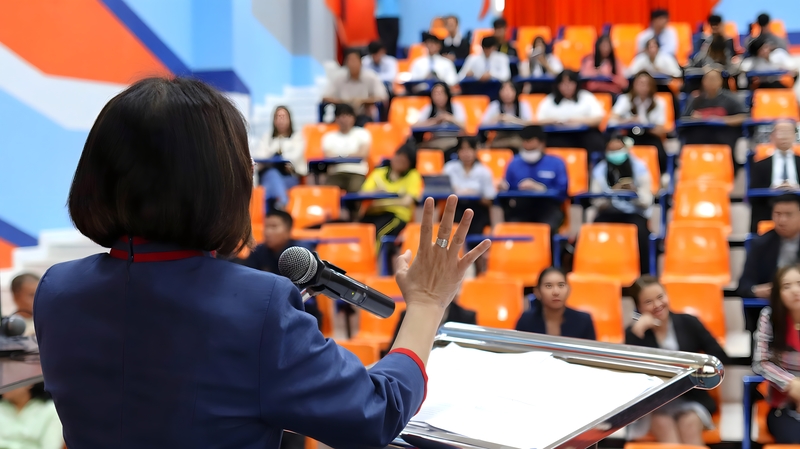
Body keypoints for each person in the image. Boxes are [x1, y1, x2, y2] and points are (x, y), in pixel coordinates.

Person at [34, 76, 492, 449]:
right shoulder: (258, 304)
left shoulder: (56, 291)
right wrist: (429, 304)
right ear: (224, 183)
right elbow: (375, 415)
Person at [626, 275, 729, 444]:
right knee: (663, 424)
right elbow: (630, 375)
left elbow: (720, 355)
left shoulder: (688, 322)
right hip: (655, 405)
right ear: (638, 307)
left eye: (660, 297)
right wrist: (636, 335)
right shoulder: (636, 333)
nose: (657, 305)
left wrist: (696, 369)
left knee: (689, 423)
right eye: (648, 301)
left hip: (691, 398)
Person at [232, 210, 323, 332]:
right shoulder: (258, 252)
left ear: (288, 231)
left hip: (301, 310)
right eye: (266, 226)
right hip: (266, 311)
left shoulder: (301, 253)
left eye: (274, 227)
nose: (267, 232)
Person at [590, 135, 653, 276]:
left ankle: (644, 276)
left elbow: (647, 201)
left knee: (642, 232)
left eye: (619, 149)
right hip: (609, 212)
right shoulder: (599, 171)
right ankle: (595, 272)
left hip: (633, 213)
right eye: (612, 151)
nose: (616, 154)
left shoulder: (640, 167)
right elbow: (596, 202)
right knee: (594, 228)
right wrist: (612, 192)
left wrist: (634, 192)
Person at [738, 194, 800, 335]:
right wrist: (757, 291)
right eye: (777, 214)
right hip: (769, 312)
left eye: (788, 215)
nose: (782, 220)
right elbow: (744, 286)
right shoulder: (760, 244)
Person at [752, 264, 800, 443]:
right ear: (778, 293)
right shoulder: (770, 317)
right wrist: (791, 384)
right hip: (784, 405)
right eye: (787, 286)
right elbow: (760, 363)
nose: (795, 291)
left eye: (799, 283)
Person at [500, 125, 568, 234]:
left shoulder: (556, 163)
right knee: (512, 228)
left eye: (531, 145)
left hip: (548, 207)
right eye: (525, 143)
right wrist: (503, 187)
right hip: (522, 207)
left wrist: (542, 188)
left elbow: (563, 191)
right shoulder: (514, 163)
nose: (527, 146)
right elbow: (508, 189)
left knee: (547, 228)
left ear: (542, 143)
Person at [681, 68, 748, 171]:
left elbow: (743, 117)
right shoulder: (695, 100)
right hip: (700, 135)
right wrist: (693, 118)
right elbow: (684, 119)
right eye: (708, 79)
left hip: (722, 135)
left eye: (714, 79)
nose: (711, 82)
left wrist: (721, 120)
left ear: (720, 81)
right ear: (703, 81)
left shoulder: (730, 99)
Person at [360, 144, 423, 245]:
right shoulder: (379, 172)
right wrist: (376, 192)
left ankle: (374, 260)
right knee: (359, 232)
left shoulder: (413, 176)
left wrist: (381, 202)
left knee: (377, 234)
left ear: (409, 164)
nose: (399, 162)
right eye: (398, 157)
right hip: (373, 213)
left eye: (403, 161)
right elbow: (363, 193)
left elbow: (407, 202)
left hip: (396, 215)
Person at [610, 71, 668, 175]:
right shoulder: (625, 99)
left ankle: (662, 175)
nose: (642, 86)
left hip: (650, 135)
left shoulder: (659, 102)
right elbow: (612, 120)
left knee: (659, 150)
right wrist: (628, 121)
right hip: (629, 135)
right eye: (639, 83)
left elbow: (661, 130)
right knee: (616, 147)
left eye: (645, 83)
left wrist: (645, 125)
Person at [536, 70, 606, 156]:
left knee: (595, 142)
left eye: (570, 83)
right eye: (563, 84)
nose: (567, 87)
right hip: (557, 135)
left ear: (576, 84)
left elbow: (598, 119)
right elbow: (539, 121)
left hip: (584, 134)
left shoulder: (587, 97)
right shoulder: (549, 100)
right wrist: (552, 122)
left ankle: (593, 167)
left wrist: (578, 121)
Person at [515, 267, 596, 339]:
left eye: (561, 285)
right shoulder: (526, 321)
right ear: (537, 292)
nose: (556, 292)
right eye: (548, 286)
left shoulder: (584, 321)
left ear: (569, 290)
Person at [749, 120, 800, 233]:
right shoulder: (759, 165)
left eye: (787, 132)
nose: (784, 136)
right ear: (772, 136)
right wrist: (775, 189)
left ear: (795, 136)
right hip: (768, 208)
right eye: (780, 132)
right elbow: (752, 195)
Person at [253, 106, 306, 210]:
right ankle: (282, 204)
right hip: (268, 174)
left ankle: (269, 212)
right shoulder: (267, 137)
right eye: (278, 117)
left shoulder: (297, 137)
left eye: (283, 117)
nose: (280, 120)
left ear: (289, 119)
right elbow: (260, 157)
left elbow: (295, 157)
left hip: (289, 176)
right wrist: (274, 153)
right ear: (273, 120)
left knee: (269, 187)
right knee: (272, 174)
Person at [444, 137, 496, 236]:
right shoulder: (449, 168)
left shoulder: (484, 171)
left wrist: (475, 195)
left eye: (469, 149)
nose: (466, 153)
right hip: (455, 209)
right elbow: (441, 193)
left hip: (477, 209)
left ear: (476, 150)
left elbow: (489, 200)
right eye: (462, 149)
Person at [322, 48, 388, 125]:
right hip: (342, 116)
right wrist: (342, 102)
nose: (352, 64)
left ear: (360, 63)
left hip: (363, 115)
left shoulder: (371, 77)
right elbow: (325, 97)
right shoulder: (338, 78)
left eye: (354, 61)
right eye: (349, 61)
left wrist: (363, 101)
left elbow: (382, 97)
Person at [321, 103, 371, 193]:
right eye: (341, 116)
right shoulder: (328, 137)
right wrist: (351, 155)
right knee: (327, 192)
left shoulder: (363, 133)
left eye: (347, 116)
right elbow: (328, 156)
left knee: (356, 190)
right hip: (336, 173)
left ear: (353, 118)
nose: (344, 119)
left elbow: (362, 154)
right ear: (336, 119)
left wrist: (339, 156)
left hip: (357, 172)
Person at [0, 382, 63, 449]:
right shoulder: (1, 408)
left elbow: (51, 446)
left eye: (9, 380)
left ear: (28, 382)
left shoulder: (50, 410)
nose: (3, 384)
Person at [480, 80, 534, 148]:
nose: (507, 93)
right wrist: (496, 118)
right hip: (500, 136)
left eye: (510, 90)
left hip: (518, 136)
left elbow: (530, 123)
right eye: (504, 90)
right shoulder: (494, 105)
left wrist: (512, 119)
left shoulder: (523, 105)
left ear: (515, 92)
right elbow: (482, 124)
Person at [414, 81, 466, 150]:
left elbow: (465, 126)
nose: (438, 97)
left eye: (441, 93)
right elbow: (415, 125)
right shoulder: (428, 108)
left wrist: (449, 118)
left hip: (454, 140)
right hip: (435, 141)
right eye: (435, 94)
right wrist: (434, 121)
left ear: (447, 94)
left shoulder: (456, 106)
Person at [9, 273, 39, 337]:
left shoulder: (48, 323)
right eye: (32, 295)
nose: (37, 299)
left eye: (39, 294)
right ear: (16, 296)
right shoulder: (8, 328)